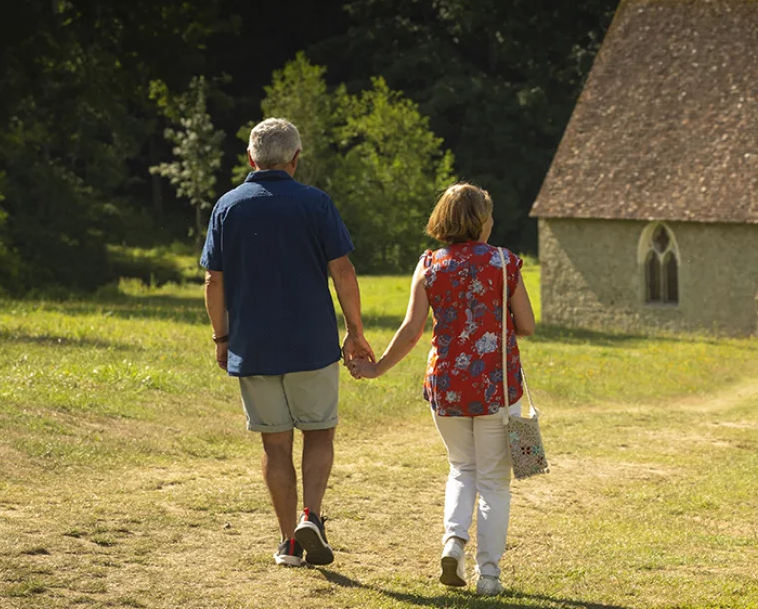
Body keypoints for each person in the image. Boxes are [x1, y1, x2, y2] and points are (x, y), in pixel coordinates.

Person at [202, 118, 372, 568]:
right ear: (296, 158)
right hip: (311, 345)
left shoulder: (227, 206)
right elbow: (343, 272)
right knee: (318, 433)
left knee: (274, 448)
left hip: (253, 346)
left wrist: (222, 338)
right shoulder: (315, 204)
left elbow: (213, 280)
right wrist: (355, 331)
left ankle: (289, 544)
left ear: (250, 158)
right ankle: (311, 517)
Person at [356, 183, 536, 597]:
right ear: (480, 221)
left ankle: (453, 543)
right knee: (494, 482)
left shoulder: (429, 263)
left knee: (461, 468)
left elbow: (412, 329)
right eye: (488, 215)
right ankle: (488, 576)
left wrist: (377, 367)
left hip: (447, 387)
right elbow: (526, 325)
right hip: (496, 387)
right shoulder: (504, 263)